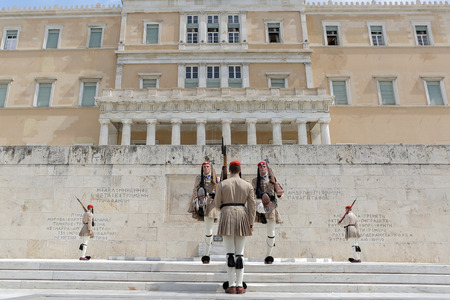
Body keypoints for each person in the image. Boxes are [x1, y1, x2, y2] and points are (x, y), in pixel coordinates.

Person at [214, 160, 256, 294]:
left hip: (227, 214)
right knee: (240, 253)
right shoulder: (247, 185)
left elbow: (216, 204)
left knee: (229, 253)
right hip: (242, 215)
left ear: (230, 170)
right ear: (239, 170)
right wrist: (251, 222)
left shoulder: (223, 183)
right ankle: (240, 285)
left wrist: (225, 207)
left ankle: (231, 285)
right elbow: (252, 206)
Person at [188, 161, 220, 264]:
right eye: (204, 167)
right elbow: (194, 190)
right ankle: (206, 253)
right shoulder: (199, 178)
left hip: (211, 203)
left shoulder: (215, 178)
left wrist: (218, 183)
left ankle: (206, 253)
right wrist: (192, 204)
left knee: (209, 229)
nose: (206, 168)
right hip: (202, 203)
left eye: (207, 166)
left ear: (210, 168)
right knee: (207, 229)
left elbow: (220, 192)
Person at [252, 161, 283, 264]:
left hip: (271, 205)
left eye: (264, 166)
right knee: (260, 205)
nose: (262, 168)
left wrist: (278, 191)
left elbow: (281, 195)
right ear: (258, 169)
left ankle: (268, 255)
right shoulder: (255, 181)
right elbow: (252, 195)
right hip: (259, 202)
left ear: (267, 168)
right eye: (260, 167)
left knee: (271, 233)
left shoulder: (273, 181)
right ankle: (263, 208)